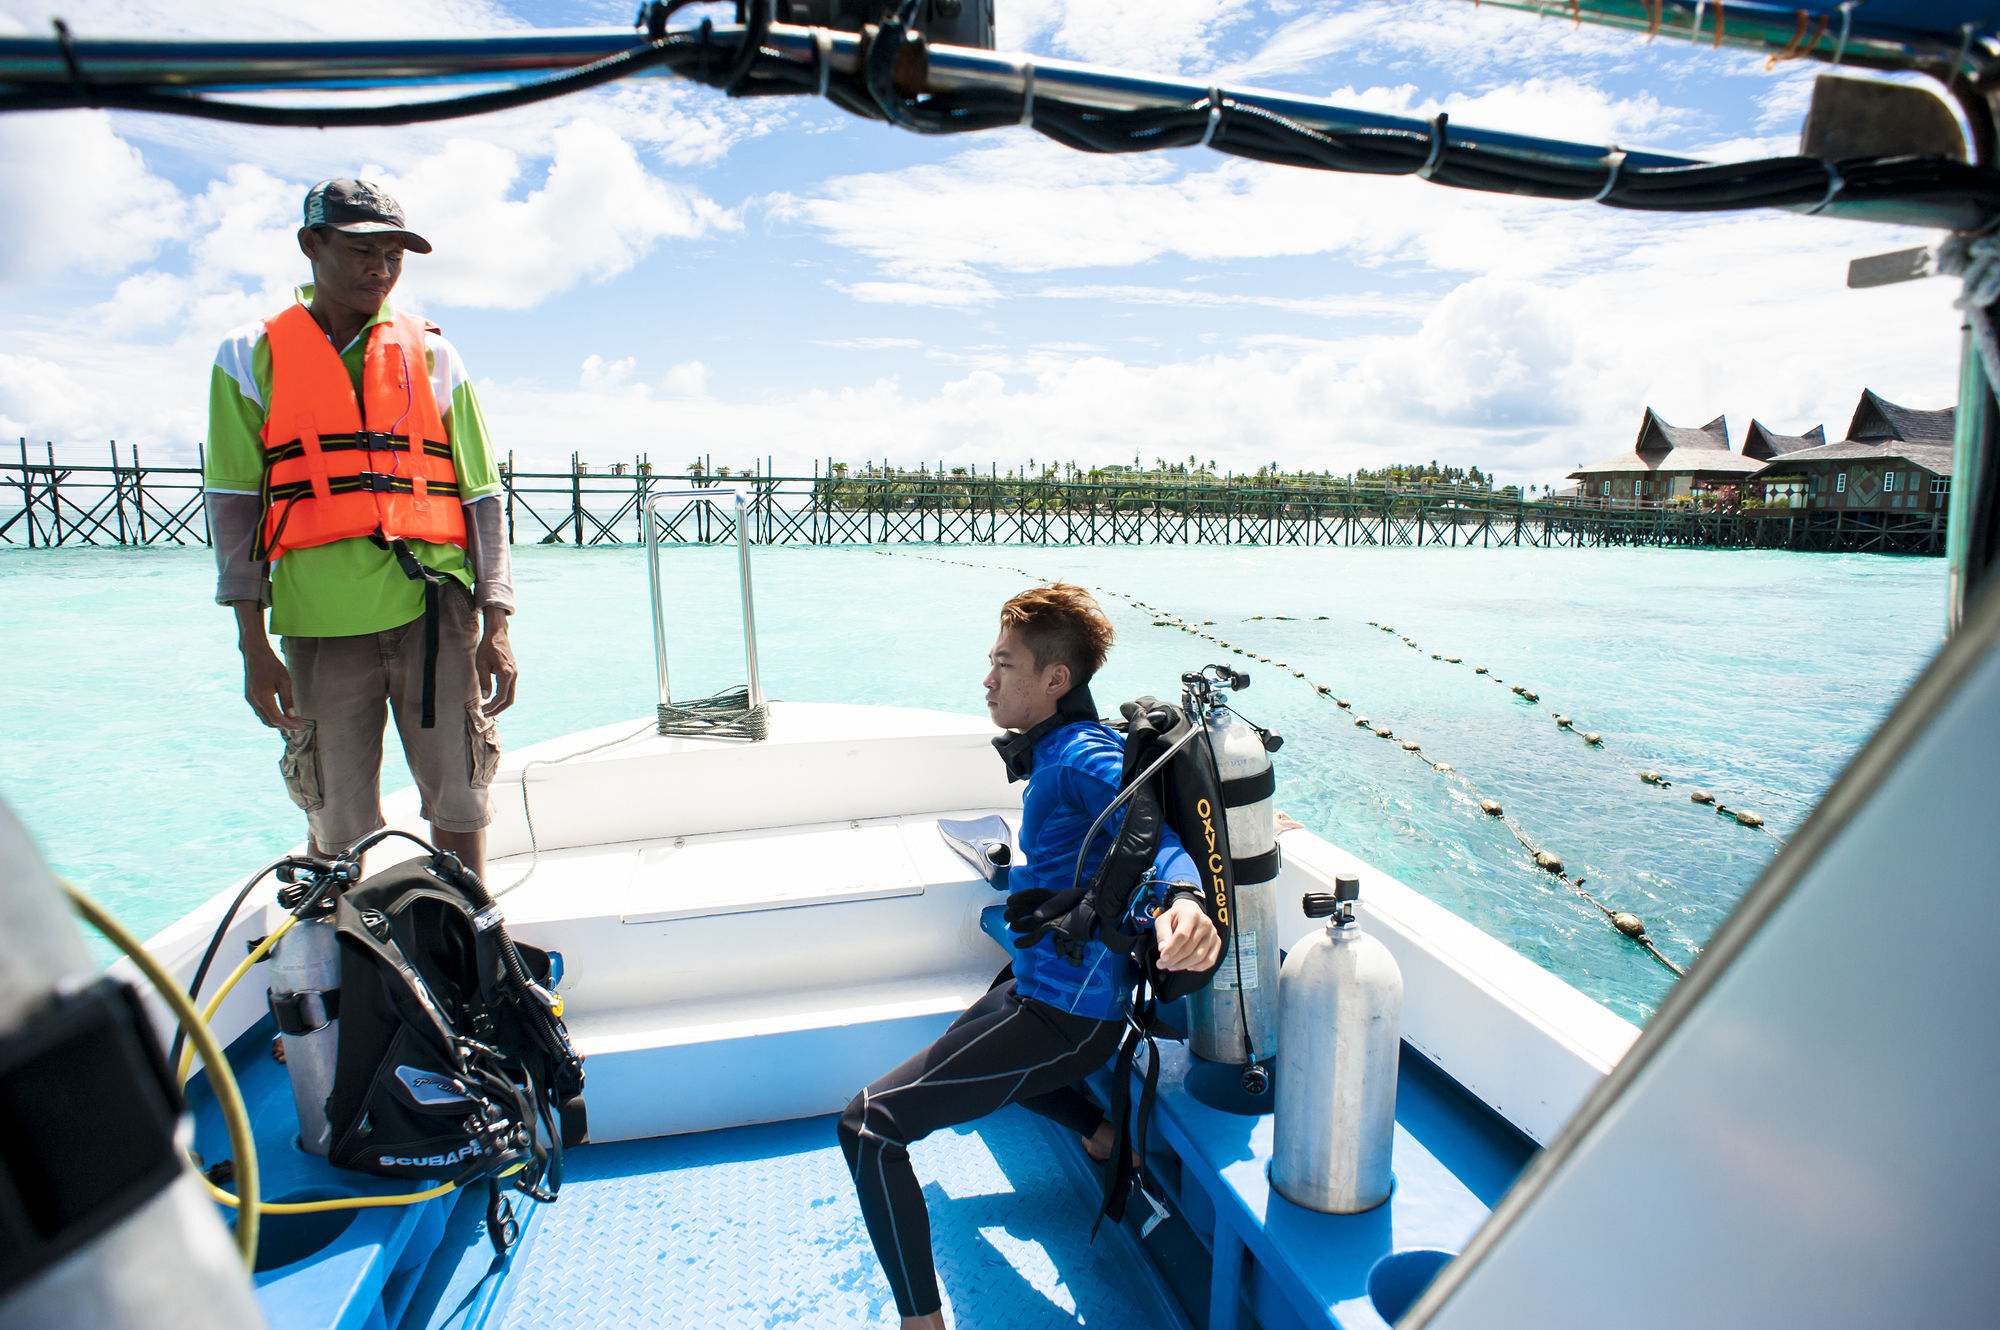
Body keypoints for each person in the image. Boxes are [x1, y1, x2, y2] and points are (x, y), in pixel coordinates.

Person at [839, 583, 1223, 1330]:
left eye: (1004, 665)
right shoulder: (1058, 749)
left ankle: (922, 1323)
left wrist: (1187, 901)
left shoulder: (1078, 754)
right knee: (963, 1046)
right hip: (1038, 983)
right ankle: (1107, 1134)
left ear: (1056, 681)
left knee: (868, 1127)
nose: (987, 680)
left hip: (1064, 1016)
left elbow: (1155, 836)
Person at [202, 178, 517, 881]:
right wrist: (252, 643)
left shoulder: (434, 354)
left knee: (460, 793)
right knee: (338, 812)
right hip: (319, 623)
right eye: (361, 251)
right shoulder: (247, 355)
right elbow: (233, 507)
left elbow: (481, 496)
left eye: (394, 256)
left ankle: (471, 929)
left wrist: (496, 617)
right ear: (312, 246)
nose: (380, 269)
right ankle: (357, 941)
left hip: (435, 613)